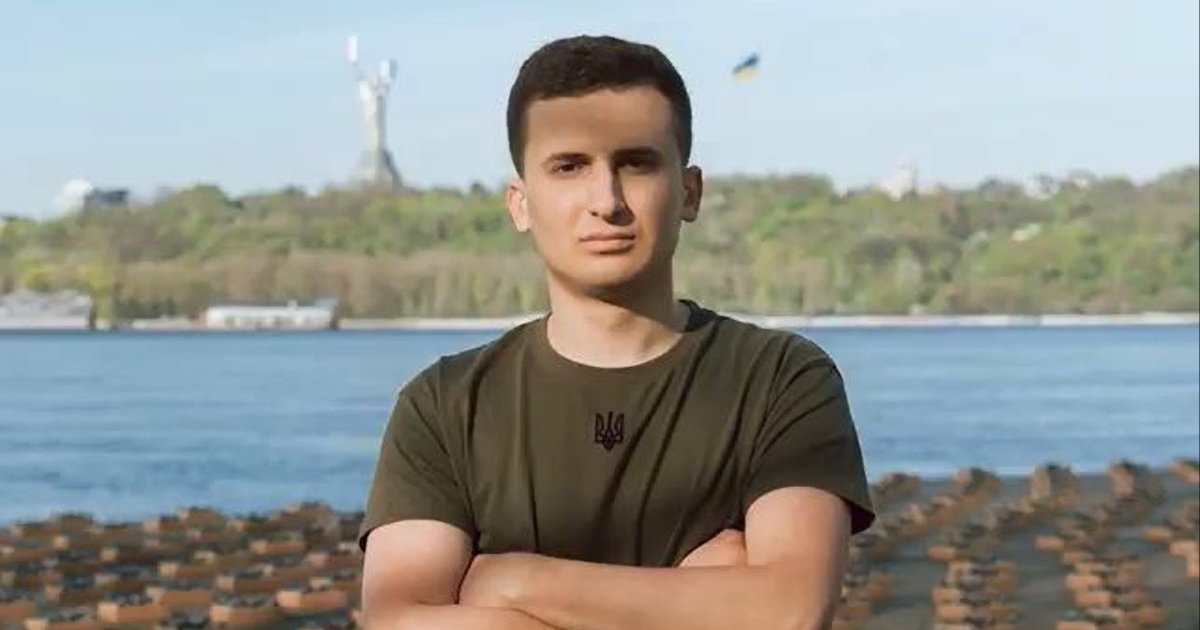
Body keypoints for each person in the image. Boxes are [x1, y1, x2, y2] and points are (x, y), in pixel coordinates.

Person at [357, 34, 875, 630]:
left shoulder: (781, 379)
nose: (606, 201)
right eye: (569, 167)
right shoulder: (445, 405)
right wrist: (704, 599)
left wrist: (510, 583)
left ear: (689, 191)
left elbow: (788, 612)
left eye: (636, 163)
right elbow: (395, 620)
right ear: (520, 203)